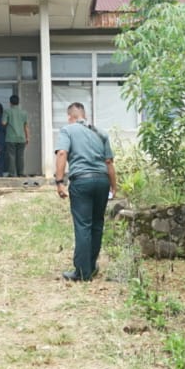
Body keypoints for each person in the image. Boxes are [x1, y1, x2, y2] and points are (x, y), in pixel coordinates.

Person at [54, 102, 118, 282]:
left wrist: (59, 182)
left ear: (70, 117)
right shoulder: (101, 133)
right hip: (102, 181)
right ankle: (91, 265)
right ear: (85, 116)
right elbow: (109, 163)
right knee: (97, 224)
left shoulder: (68, 130)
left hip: (82, 181)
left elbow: (61, 154)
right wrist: (113, 186)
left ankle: (82, 272)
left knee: (83, 225)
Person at [4, 93, 29, 176]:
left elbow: (3, 123)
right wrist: (27, 137)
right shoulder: (24, 113)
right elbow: (26, 126)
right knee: (20, 156)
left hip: (11, 137)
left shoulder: (7, 111)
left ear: (10, 102)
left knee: (12, 156)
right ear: (18, 102)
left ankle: (11, 173)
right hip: (22, 137)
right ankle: (20, 173)